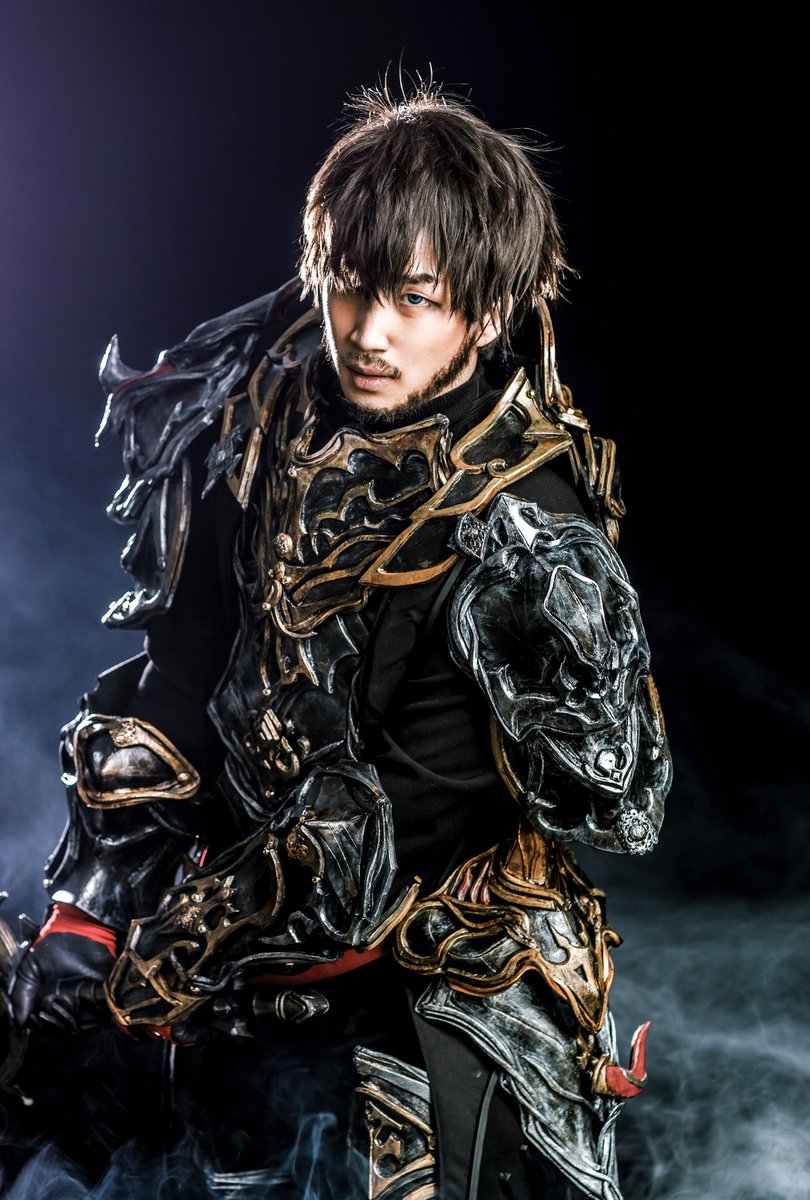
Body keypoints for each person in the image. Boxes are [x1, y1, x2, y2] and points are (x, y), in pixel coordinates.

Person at [0, 79, 672, 1200]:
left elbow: (400, 821)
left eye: (415, 299)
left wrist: (161, 954)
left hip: (432, 956)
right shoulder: (251, 414)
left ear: (487, 311)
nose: (369, 332)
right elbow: (185, 669)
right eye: (350, 286)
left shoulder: (528, 529)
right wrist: (89, 915)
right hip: (228, 913)